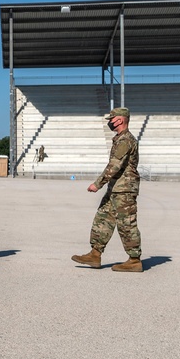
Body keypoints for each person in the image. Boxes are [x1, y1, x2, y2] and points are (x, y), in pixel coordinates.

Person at [71, 107, 143, 272]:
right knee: (102, 218)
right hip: (116, 188)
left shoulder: (126, 140)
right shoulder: (119, 139)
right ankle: (95, 254)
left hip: (125, 190)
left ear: (120, 120)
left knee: (126, 224)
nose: (110, 122)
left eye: (112, 119)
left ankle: (134, 260)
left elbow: (115, 165)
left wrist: (98, 183)